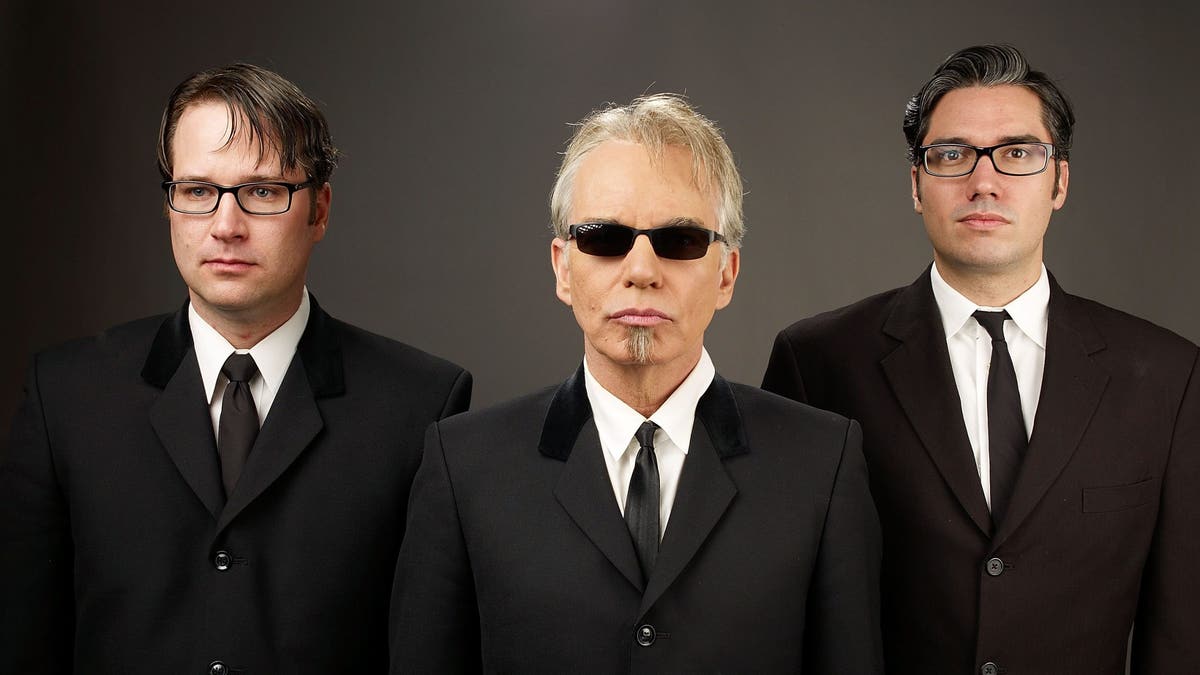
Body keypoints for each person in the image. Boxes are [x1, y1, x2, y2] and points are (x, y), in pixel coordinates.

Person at [0, 63, 471, 674]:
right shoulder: (65, 394)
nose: (226, 226)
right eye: (198, 191)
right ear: (170, 205)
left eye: (263, 191)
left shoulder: (421, 406)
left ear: (319, 209)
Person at [390, 93, 882, 673]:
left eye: (679, 241)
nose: (642, 272)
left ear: (726, 274)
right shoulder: (464, 466)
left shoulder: (821, 463)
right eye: (604, 238)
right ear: (562, 267)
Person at [762, 44, 1199, 675]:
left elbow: (1182, 632)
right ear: (916, 184)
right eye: (951, 155)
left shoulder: (1168, 376)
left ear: (1061, 182)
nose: (983, 180)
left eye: (1018, 153)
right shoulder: (819, 362)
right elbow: (785, 613)